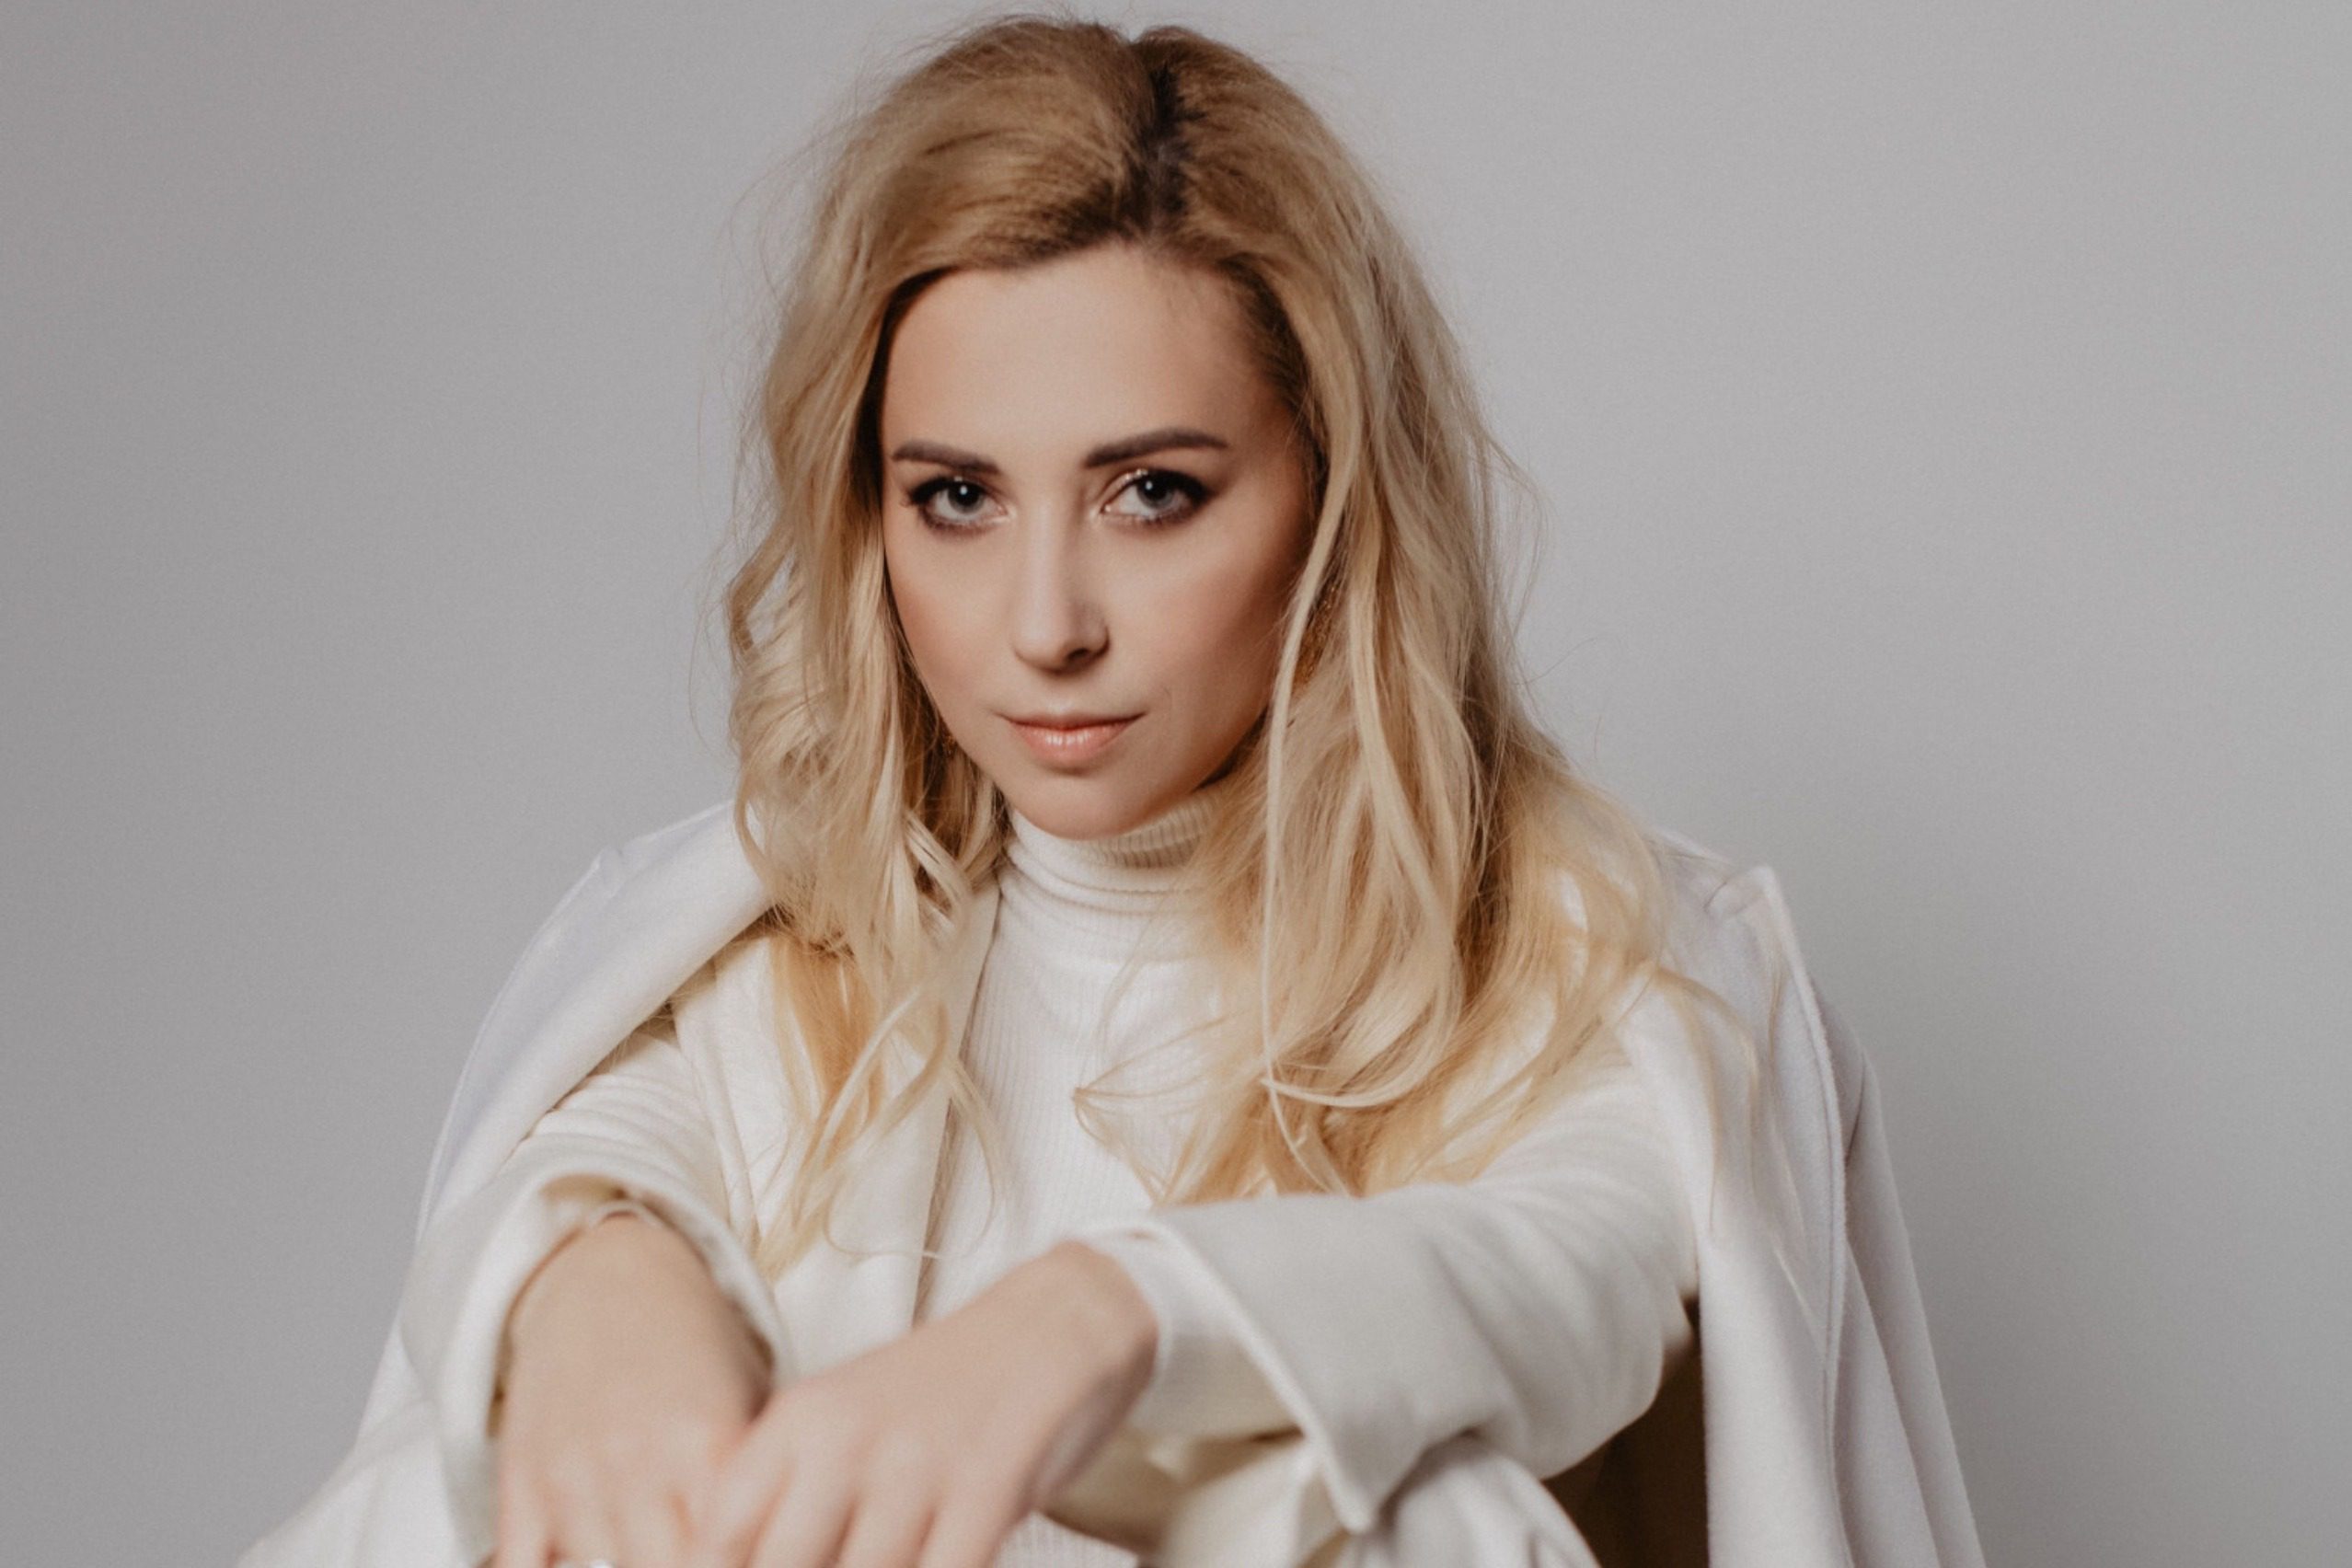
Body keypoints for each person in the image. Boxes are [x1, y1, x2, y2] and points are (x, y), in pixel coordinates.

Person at [239, 16, 1984, 1568]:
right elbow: (596, 1160)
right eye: (958, 498)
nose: (1046, 628)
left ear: (1332, 498)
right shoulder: (751, 952)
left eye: (1152, 493)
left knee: (1413, 1508)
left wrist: (1099, 1322)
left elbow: (1556, 1282)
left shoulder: (1607, 969)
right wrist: (595, 1288)